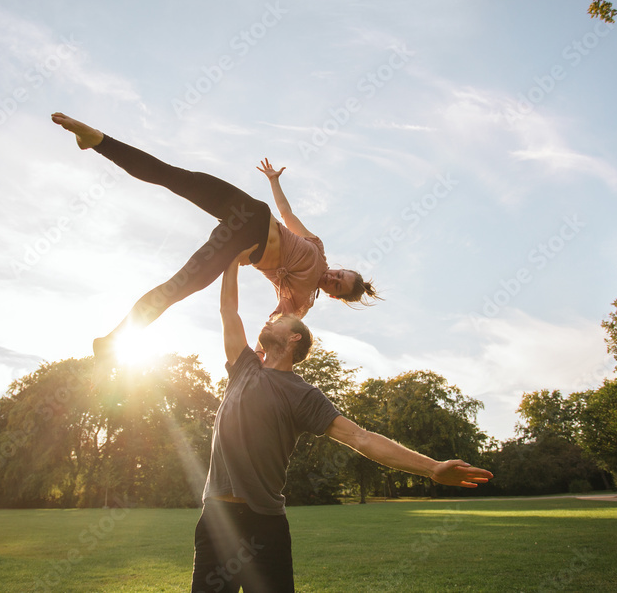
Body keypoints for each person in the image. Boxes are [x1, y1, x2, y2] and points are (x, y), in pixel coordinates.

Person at [190, 255, 493, 592]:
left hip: (265, 527)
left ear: (294, 339)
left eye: (281, 321)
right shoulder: (244, 367)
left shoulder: (304, 395)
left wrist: (432, 468)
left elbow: (361, 438)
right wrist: (231, 257)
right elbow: (228, 311)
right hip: (216, 519)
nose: (271, 319)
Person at [50, 113, 378, 361]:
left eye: (337, 284)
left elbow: (278, 322)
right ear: (341, 266)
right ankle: (97, 141)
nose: (333, 276)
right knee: (174, 177)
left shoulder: (303, 301)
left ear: (334, 296)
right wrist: (274, 181)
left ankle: (112, 342)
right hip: (251, 212)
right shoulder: (318, 248)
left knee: (176, 288)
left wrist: (259, 357)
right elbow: (288, 216)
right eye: (341, 273)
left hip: (236, 246)